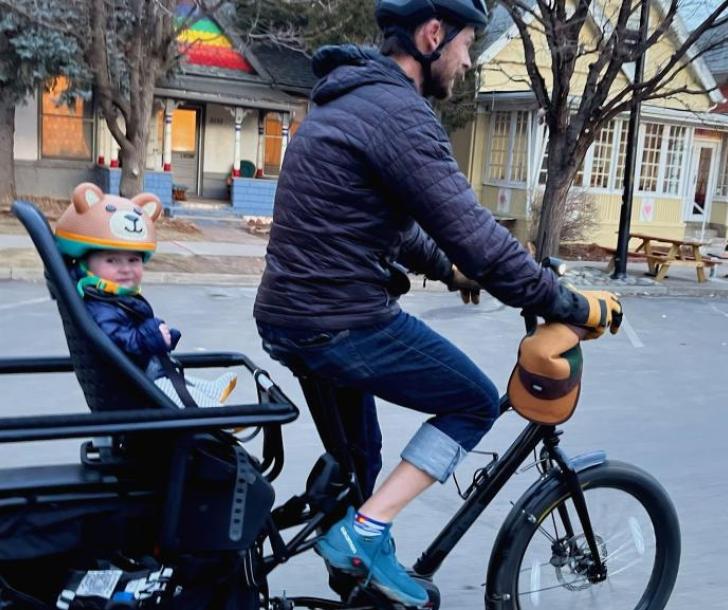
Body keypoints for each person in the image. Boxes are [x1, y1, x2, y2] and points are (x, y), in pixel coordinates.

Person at [253, 0, 622, 606]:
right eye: (466, 45)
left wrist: (449, 271)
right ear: (432, 35)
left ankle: (360, 572)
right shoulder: (398, 113)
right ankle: (363, 537)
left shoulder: (344, 103)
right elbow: (477, 236)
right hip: (341, 320)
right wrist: (571, 305)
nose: (468, 60)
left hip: (290, 317)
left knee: (361, 466)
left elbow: (391, 226)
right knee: (474, 400)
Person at [55, 182, 236, 408]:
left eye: (133, 260)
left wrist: (163, 337)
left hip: (137, 374)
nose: (125, 268)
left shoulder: (110, 298)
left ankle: (207, 394)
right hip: (130, 386)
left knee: (174, 378)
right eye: (112, 260)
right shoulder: (98, 306)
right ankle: (216, 415)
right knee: (169, 387)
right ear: (86, 263)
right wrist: (151, 337)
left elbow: (131, 335)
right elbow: (118, 342)